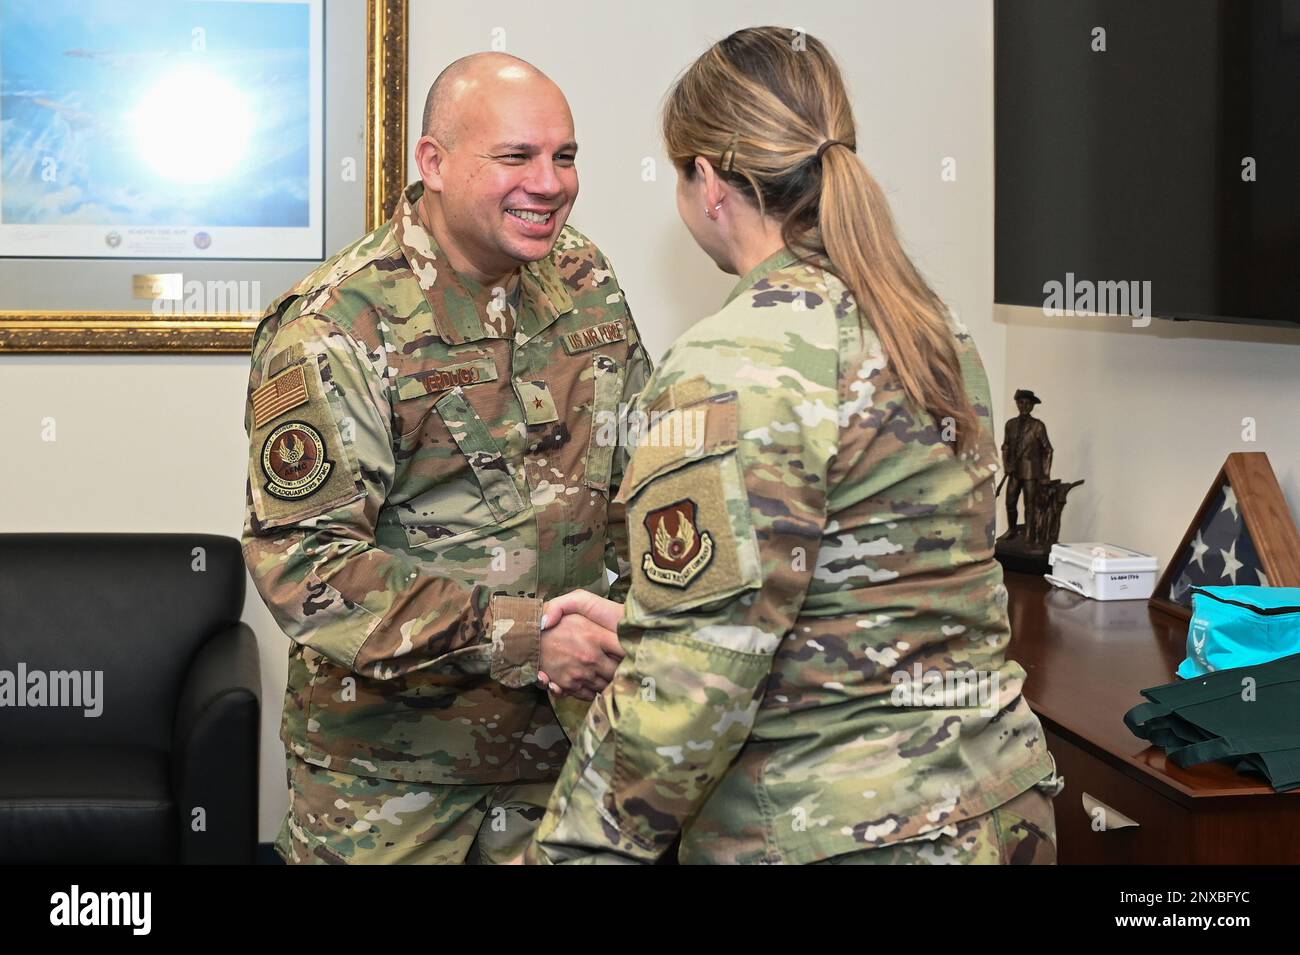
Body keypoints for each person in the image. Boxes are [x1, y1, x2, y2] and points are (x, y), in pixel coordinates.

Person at [524, 27, 1060, 865]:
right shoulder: (930, 326)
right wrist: (648, 622)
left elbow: (689, 693)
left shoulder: (730, 362)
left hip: (840, 830)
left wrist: (570, 851)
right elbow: (861, 585)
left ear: (707, 183)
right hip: (995, 804)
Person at [241, 52, 651, 864]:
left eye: (564, 156)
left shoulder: (585, 277)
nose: (550, 183)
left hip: (565, 766)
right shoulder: (337, 325)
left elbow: (640, 476)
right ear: (433, 161)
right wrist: (527, 635)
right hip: (391, 786)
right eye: (515, 157)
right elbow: (308, 565)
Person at [999, 389, 1053, 543]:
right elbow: (1006, 447)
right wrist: (1006, 464)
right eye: (1021, 402)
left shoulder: (1038, 426)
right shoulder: (1010, 424)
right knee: (1010, 502)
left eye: (1027, 403)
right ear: (1017, 404)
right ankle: (1011, 530)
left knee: (1029, 504)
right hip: (1014, 471)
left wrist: (1045, 475)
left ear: (1032, 406)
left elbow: (1048, 450)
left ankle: (1029, 533)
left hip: (1031, 472)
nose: (1024, 406)